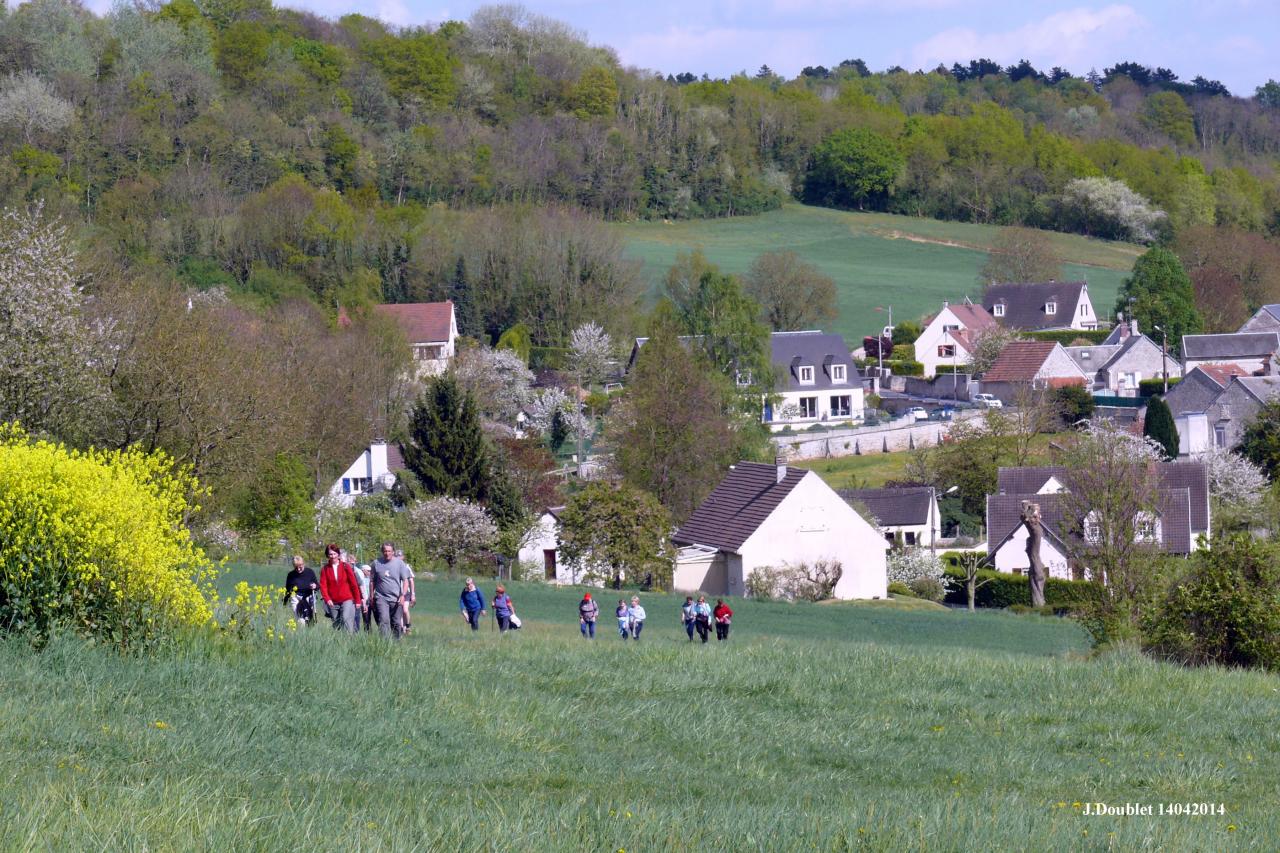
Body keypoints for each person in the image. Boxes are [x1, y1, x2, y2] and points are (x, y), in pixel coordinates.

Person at [369, 543, 411, 639]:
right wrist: (371, 596)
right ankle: (385, 643)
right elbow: (372, 581)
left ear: (393, 552)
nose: (387, 553)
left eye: (389, 551)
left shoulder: (399, 564)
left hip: (396, 598)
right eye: (385, 551)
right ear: (382, 552)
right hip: (381, 597)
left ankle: (396, 642)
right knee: (384, 620)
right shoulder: (376, 563)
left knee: (396, 622)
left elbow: (406, 581)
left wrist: (403, 595)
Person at [318, 544, 362, 633]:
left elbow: (354, 584)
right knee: (336, 624)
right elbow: (323, 586)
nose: (333, 556)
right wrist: (327, 599)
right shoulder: (325, 569)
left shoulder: (346, 566)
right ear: (327, 555)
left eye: (335, 554)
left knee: (346, 618)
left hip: (347, 599)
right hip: (333, 601)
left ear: (338, 554)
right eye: (330, 554)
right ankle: (339, 640)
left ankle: (349, 639)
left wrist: (358, 600)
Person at [283, 556, 319, 626]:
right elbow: (288, 589)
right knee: (300, 620)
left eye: (300, 567)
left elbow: (317, 586)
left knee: (310, 618)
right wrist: (285, 601)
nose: (298, 569)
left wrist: (314, 586)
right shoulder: (291, 575)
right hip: (296, 598)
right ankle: (302, 630)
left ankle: (310, 629)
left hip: (308, 597)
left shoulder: (310, 572)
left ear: (303, 564)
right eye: (296, 567)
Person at [398, 550, 416, 635]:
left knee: (405, 610)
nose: (398, 557)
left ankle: (408, 626)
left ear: (403, 557)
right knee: (400, 612)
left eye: (400, 556)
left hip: (406, 592)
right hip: (397, 592)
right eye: (397, 556)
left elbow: (411, 581)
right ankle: (402, 629)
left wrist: (413, 594)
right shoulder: (394, 566)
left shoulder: (406, 567)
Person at [354, 564, 373, 631]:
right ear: (363, 570)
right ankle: (366, 631)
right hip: (363, 600)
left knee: (369, 617)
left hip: (370, 600)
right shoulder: (361, 579)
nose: (369, 572)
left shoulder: (370, 579)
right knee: (365, 617)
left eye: (370, 571)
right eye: (368, 570)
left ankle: (369, 632)